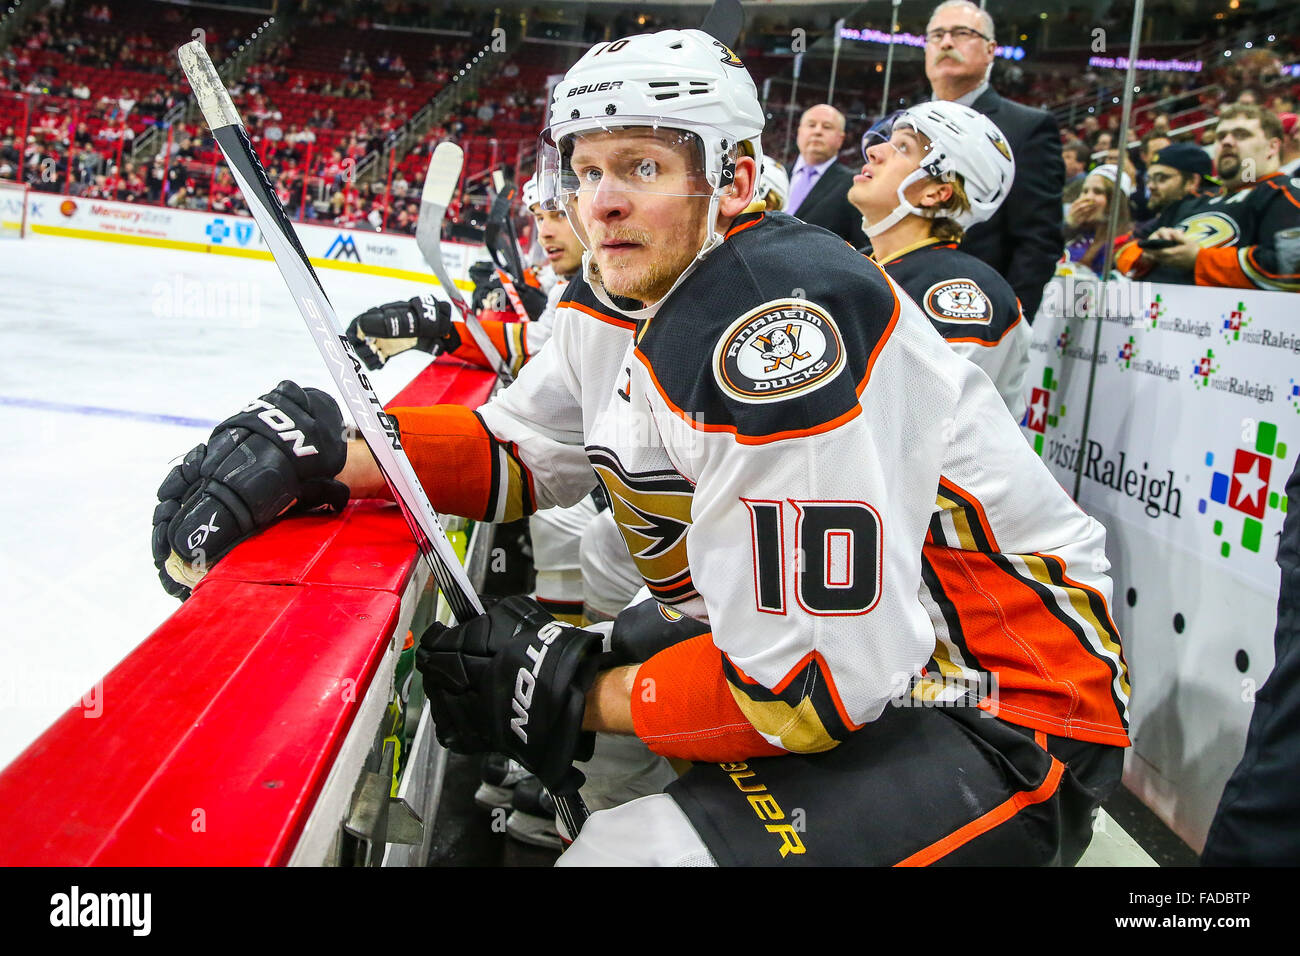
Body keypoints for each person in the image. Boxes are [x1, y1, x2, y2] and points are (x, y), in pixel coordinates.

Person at [152, 27, 1129, 866]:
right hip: (828, 653)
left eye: (644, 167)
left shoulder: (780, 319)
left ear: (738, 177)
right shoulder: (610, 297)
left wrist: (574, 690)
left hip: (995, 696)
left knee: (627, 854)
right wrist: (330, 451)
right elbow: (522, 448)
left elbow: (817, 686)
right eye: (586, 170)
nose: (600, 202)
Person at [847, 101, 1030, 420]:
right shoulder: (857, 263)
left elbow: (923, 427)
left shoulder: (962, 291)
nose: (875, 152)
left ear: (936, 193)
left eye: (902, 146)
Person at [925, 0, 1063, 321]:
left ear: (990, 50)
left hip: (973, 316)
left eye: (962, 33)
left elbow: (1037, 241)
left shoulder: (1027, 128)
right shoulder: (900, 126)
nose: (946, 42)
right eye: (937, 35)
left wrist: (1008, 322)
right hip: (893, 307)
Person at [1127, 105, 1300, 290]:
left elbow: (1290, 269)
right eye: (1221, 136)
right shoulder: (1195, 200)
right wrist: (1148, 253)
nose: (1226, 141)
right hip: (1152, 309)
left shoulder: (1284, 193)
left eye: (1241, 134)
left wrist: (1199, 259)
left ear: (1272, 147)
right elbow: (1124, 249)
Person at [784, 104, 868, 248]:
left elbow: (861, 246)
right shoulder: (777, 173)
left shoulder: (852, 184)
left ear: (840, 139)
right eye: (811, 125)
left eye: (827, 127)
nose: (817, 131)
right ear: (799, 132)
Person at [1062, 164, 1133, 277]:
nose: (1088, 197)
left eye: (1098, 192)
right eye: (1085, 191)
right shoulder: (1073, 232)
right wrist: (1068, 226)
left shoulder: (1123, 242)